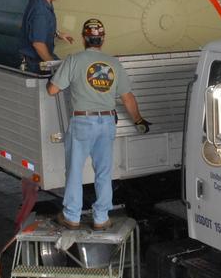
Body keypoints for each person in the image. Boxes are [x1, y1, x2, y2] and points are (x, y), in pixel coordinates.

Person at [47, 18, 149, 230]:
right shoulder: (114, 63)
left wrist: (53, 79)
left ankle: (72, 216)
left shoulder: (74, 60)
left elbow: (53, 90)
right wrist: (138, 120)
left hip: (83, 121)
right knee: (103, 170)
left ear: (85, 38)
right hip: (107, 122)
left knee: (75, 170)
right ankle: (101, 218)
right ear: (102, 39)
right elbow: (127, 97)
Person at [18, 0, 73, 74]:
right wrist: (53, 65)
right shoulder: (40, 11)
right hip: (36, 62)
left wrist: (57, 34)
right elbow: (38, 44)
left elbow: (37, 26)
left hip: (37, 58)